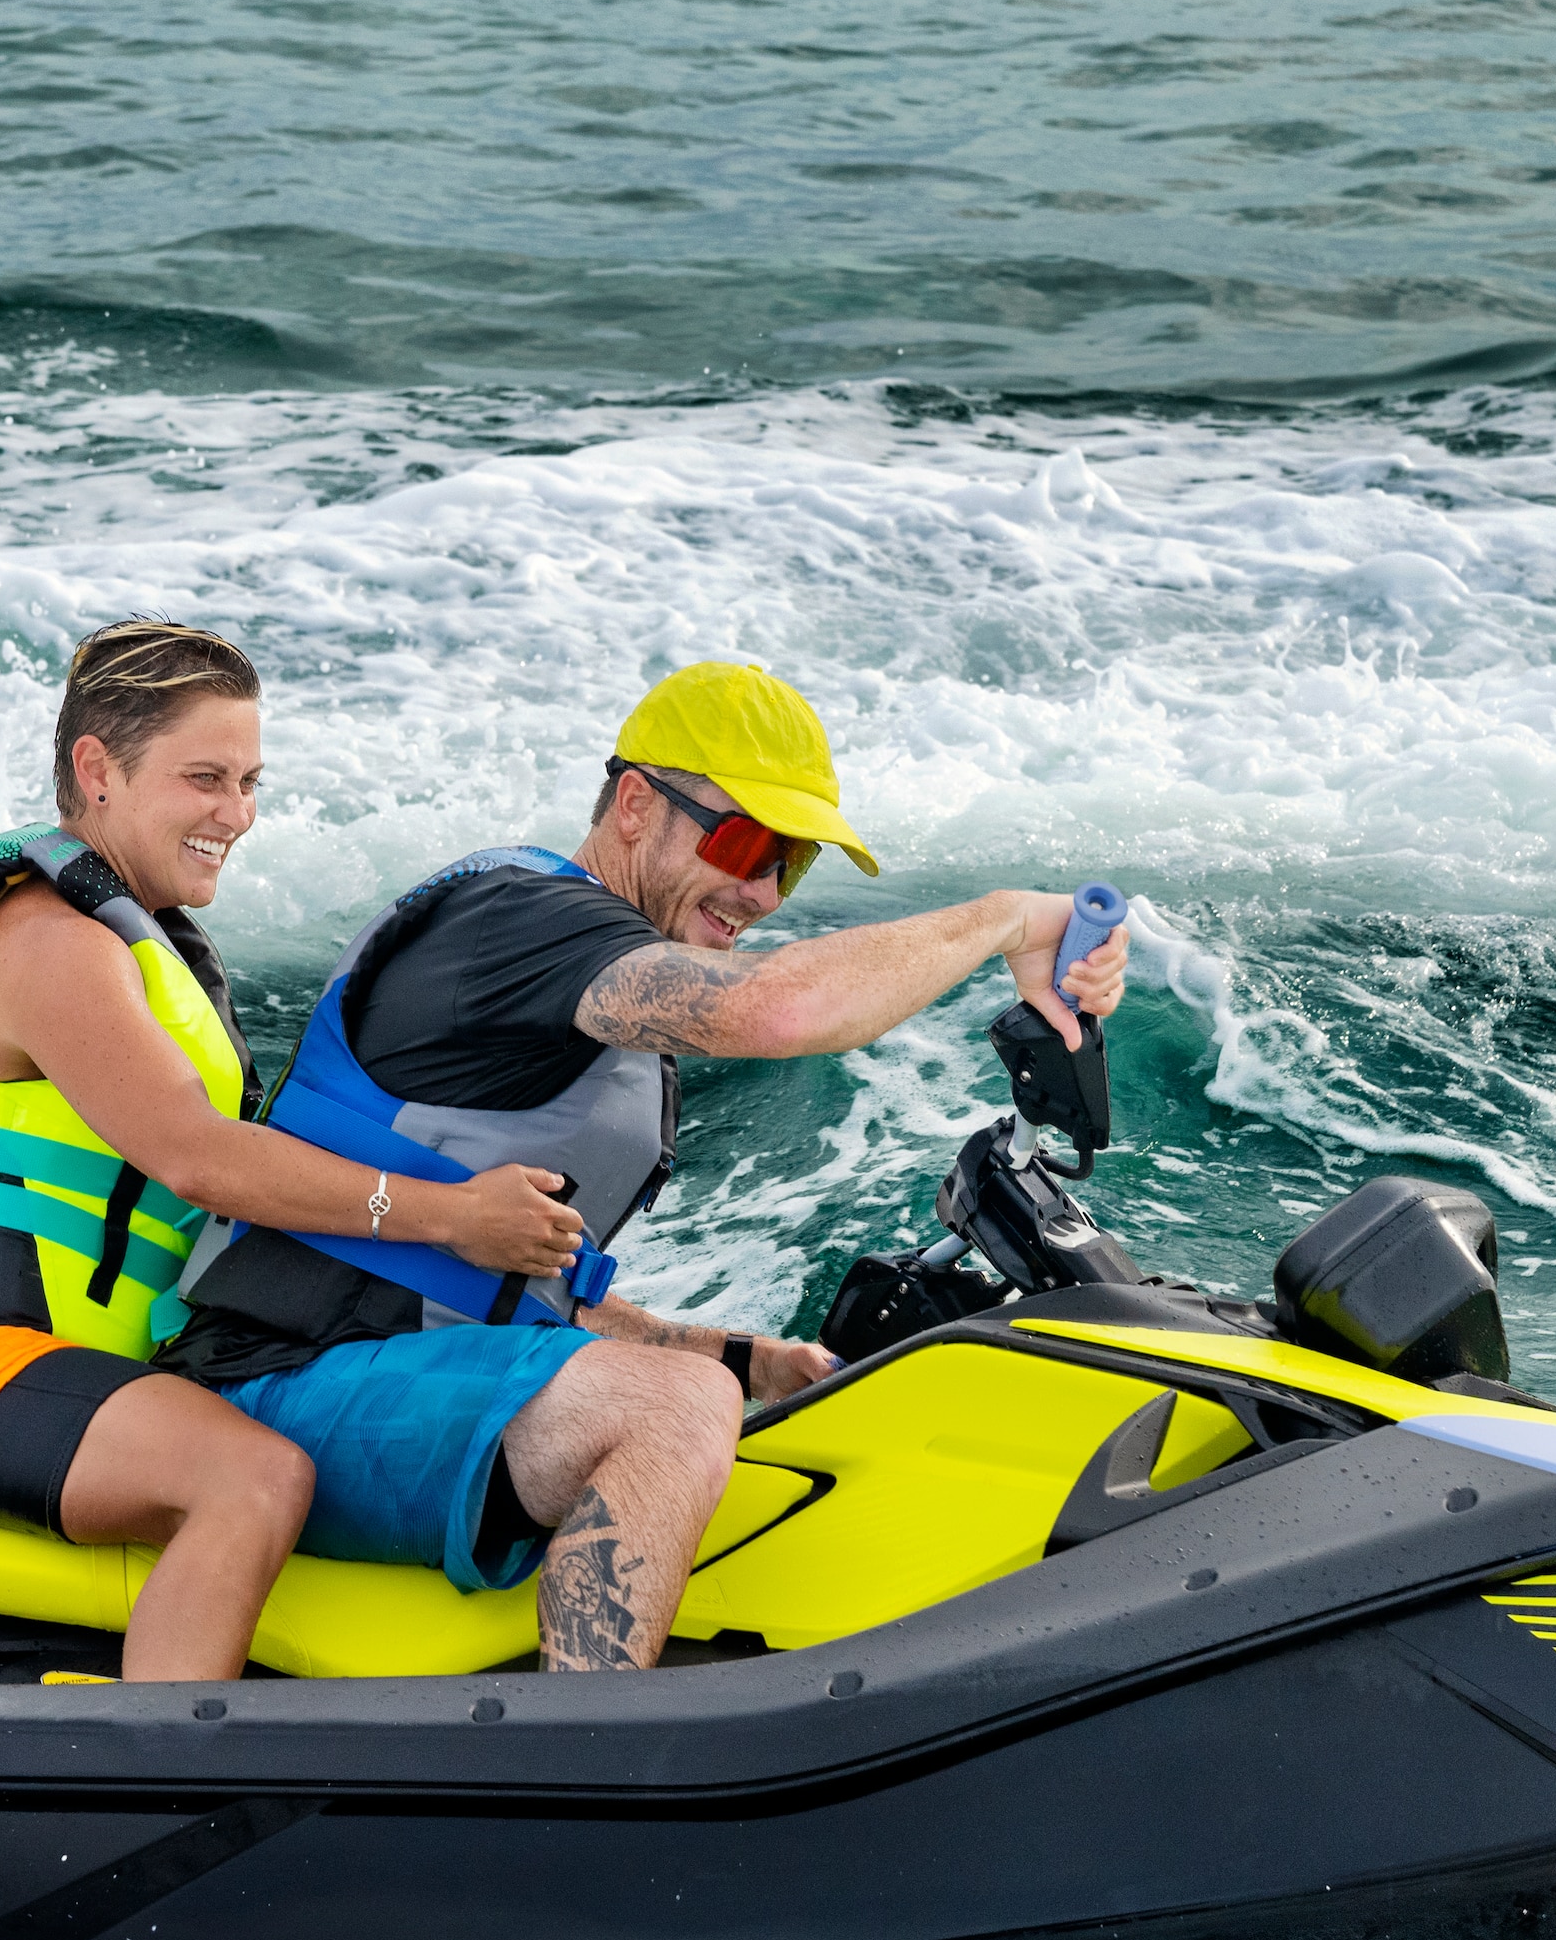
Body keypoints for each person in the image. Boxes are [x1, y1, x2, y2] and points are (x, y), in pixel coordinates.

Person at [170, 661, 1126, 1671]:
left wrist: (733, 1356)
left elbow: (500, 1285)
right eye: (744, 842)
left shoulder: (581, 974)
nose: (758, 891)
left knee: (707, 1389)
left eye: (788, 865)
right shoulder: (520, 924)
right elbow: (773, 1009)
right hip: (274, 1386)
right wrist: (1007, 921)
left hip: (386, 1370)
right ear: (634, 804)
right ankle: (576, 1758)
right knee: (674, 1410)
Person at [0, 620, 585, 1680]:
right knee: (251, 1477)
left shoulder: (143, 953)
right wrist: (450, 1215)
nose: (238, 814)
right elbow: (197, 1159)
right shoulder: (44, 944)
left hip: (96, 1381)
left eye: (250, 781)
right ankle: (148, 1771)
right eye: (205, 779)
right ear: (98, 770)